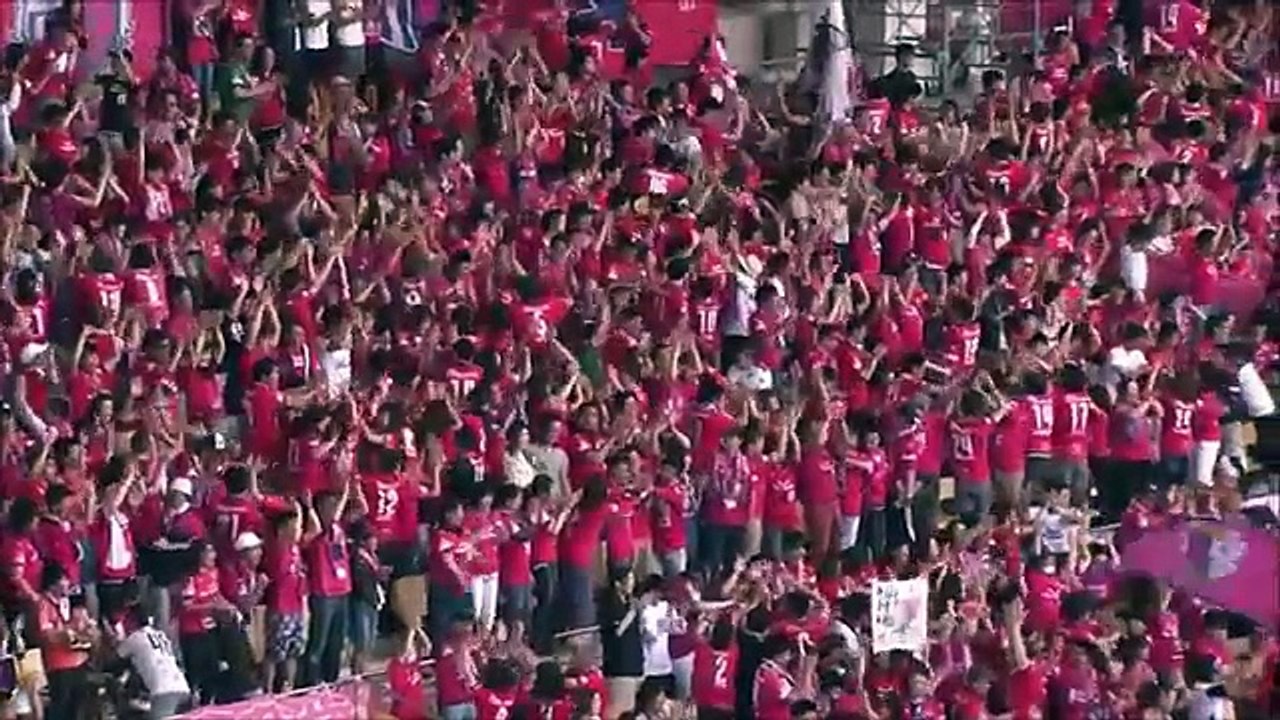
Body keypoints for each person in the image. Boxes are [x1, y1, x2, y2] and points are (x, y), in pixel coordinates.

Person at [115, 609, 191, 719]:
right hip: (183, 687)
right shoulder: (160, 634)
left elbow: (114, 660)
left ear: (133, 621)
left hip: (164, 691)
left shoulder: (135, 638)